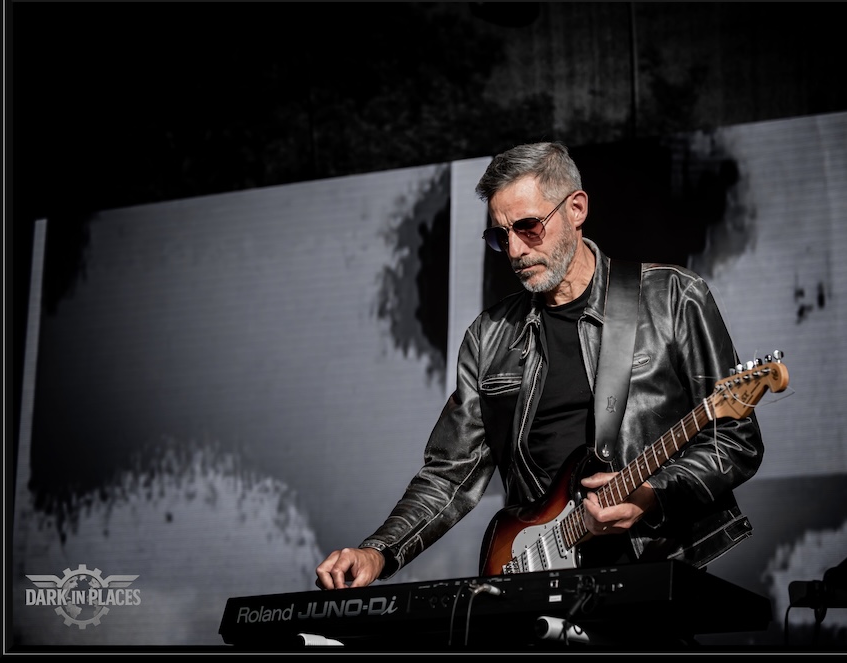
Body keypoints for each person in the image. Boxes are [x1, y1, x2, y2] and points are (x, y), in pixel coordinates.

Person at [316, 141, 763, 595]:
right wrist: (379, 551)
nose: (514, 249)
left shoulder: (673, 298)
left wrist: (653, 496)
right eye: (500, 236)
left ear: (576, 208)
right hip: (535, 576)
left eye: (528, 227)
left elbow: (734, 441)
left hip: (652, 572)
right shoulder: (489, 337)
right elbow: (450, 474)